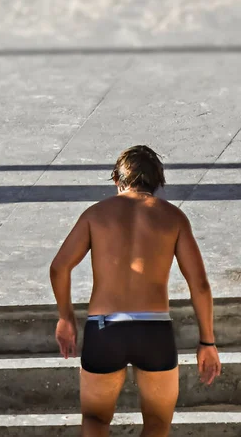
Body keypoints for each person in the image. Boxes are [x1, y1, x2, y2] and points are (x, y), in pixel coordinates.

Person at [49, 145, 221, 437]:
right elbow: (200, 285)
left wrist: (66, 317)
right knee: (157, 422)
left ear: (117, 180)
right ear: (157, 183)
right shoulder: (173, 217)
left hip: (105, 328)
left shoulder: (95, 214)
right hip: (154, 330)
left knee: (95, 418)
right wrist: (207, 341)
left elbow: (59, 267)